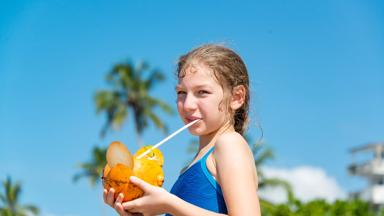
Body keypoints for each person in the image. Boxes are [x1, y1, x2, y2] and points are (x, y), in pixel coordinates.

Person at [103, 44, 261, 216]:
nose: (187, 105)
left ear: (237, 97)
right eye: (181, 93)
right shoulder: (188, 168)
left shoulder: (230, 144)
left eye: (202, 92)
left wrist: (168, 204)